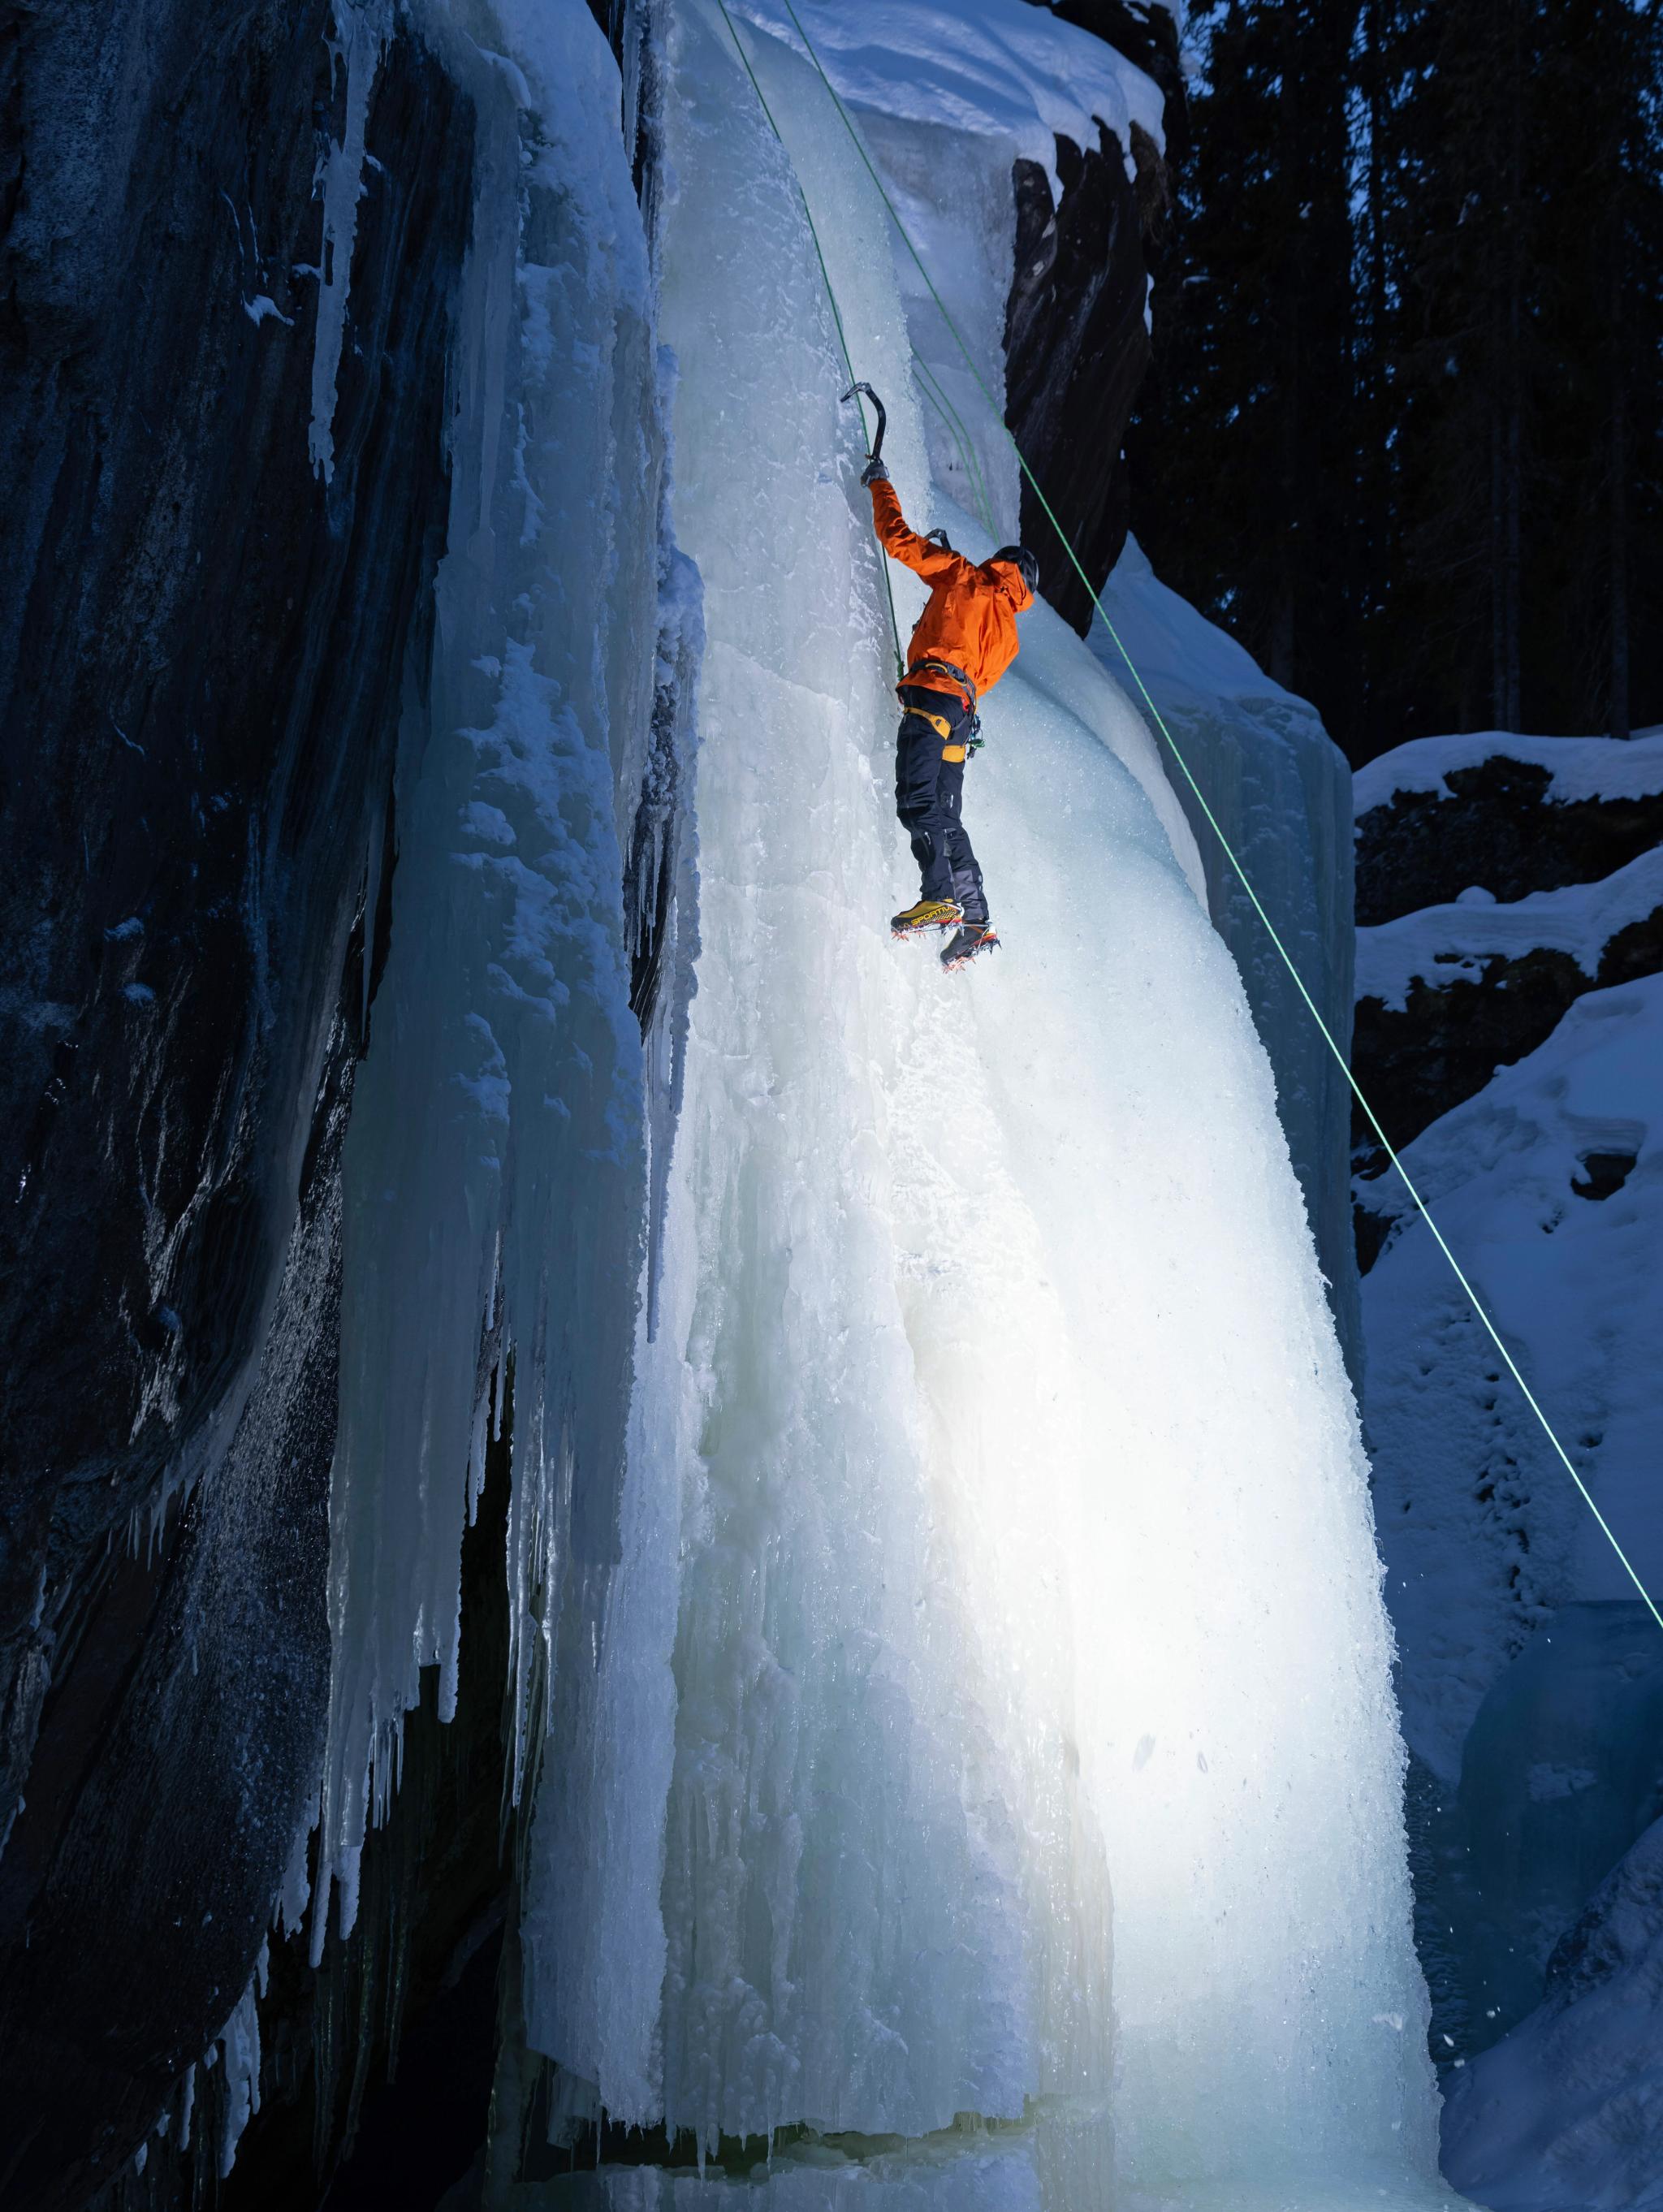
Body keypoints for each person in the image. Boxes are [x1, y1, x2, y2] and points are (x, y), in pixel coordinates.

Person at [862, 452, 1038, 969]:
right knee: (945, 813)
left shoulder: (963, 575)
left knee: (917, 802)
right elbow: (975, 671)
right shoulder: (1009, 637)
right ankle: (976, 921)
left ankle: (939, 896)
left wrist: (879, 485)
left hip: (935, 697)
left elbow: (899, 540)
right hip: (962, 714)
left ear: (998, 563)